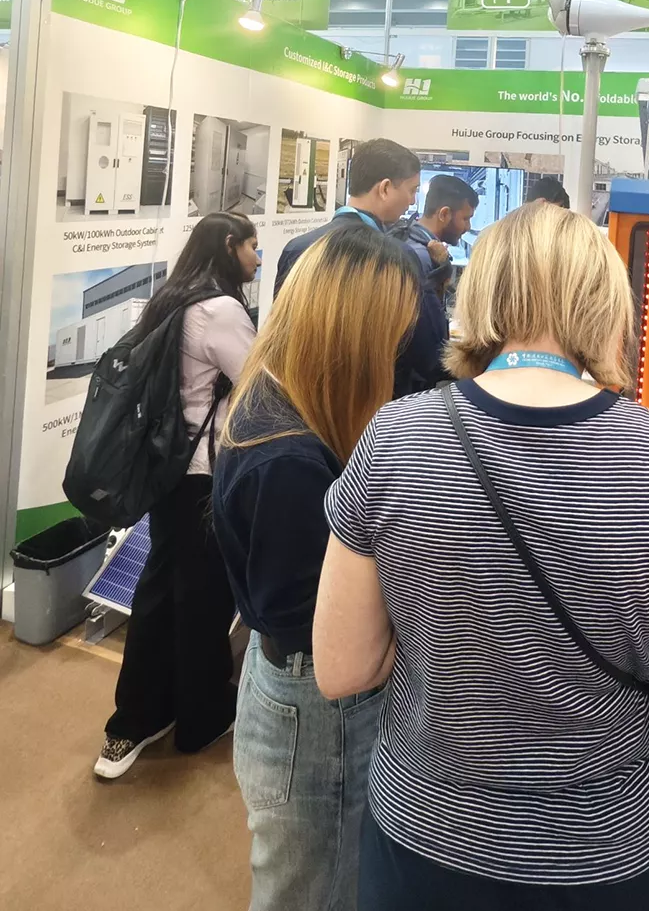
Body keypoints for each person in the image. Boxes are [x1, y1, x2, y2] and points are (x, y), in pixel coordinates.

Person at [313, 201, 649, 910]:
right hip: (614, 854)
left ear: (480, 296)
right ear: (606, 303)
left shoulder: (396, 439)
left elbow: (341, 669)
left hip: (428, 841)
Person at [214, 224, 419, 911]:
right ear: (353, 339)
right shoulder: (287, 462)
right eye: (390, 336)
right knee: (316, 885)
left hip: (295, 689)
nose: (399, 350)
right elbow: (322, 630)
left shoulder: (277, 402)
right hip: (317, 709)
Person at [94, 212, 260, 779]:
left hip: (165, 469)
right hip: (204, 473)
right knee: (203, 596)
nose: (257, 258)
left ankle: (136, 718)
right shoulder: (221, 311)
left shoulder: (169, 299)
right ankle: (201, 717)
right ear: (230, 246)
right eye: (252, 247)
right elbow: (257, 384)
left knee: (160, 589)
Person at [274, 138, 440, 395]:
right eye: (412, 190)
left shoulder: (297, 248)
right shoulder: (398, 258)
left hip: (302, 398)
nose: (412, 201)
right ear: (385, 188)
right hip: (375, 403)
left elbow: (281, 337)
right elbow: (428, 353)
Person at [394, 172, 479, 294]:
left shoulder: (411, 240)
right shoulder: (421, 257)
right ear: (444, 214)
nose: (468, 227)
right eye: (465, 219)